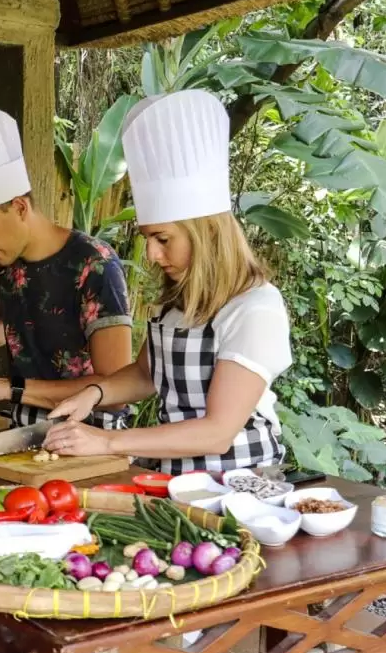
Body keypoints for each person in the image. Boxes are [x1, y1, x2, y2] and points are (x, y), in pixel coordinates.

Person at [42, 90, 293, 474]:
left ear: (208, 234)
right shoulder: (174, 302)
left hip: (240, 485)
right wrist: (93, 394)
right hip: (175, 478)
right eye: (148, 241)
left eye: (163, 239)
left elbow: (217, 432)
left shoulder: (254, 308)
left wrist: (107, 442)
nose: (154, 255)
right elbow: (145, 374)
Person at [0, 106, 135, 428]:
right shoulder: (10, 267)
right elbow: (21, 327)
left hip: (91, 439)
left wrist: (9, 388)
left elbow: (115, 389)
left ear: (20, 207)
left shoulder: (95, 265)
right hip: (22, 432)